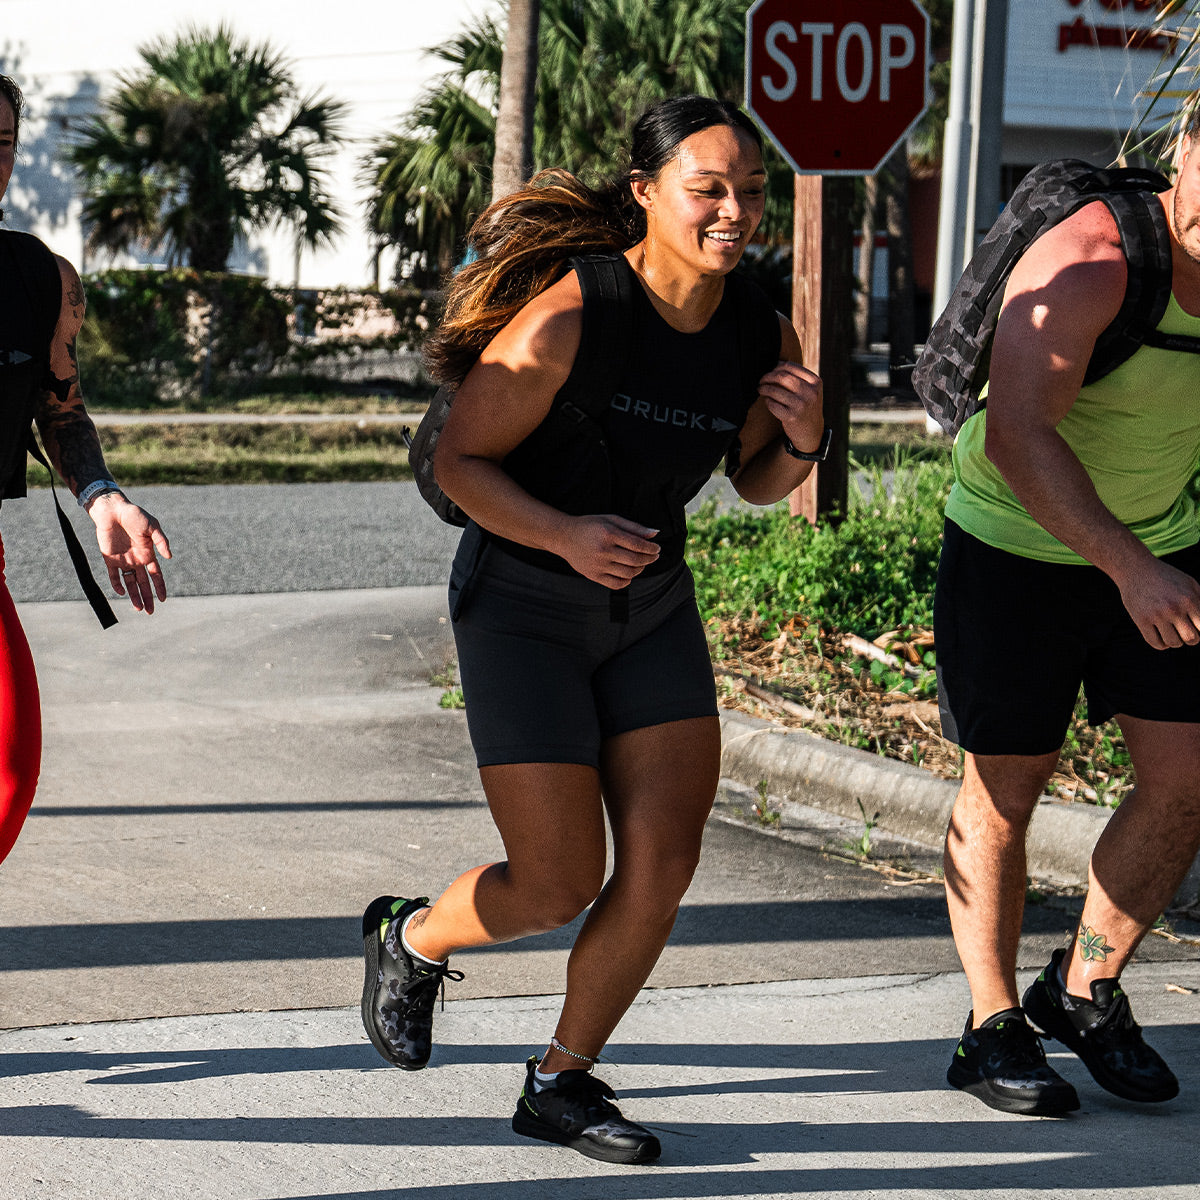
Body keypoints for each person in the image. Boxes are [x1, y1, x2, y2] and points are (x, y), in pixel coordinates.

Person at [360, 95, 826, 1164]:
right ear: (646, 194)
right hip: (522, 610)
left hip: (651, 610)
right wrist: (566, 534)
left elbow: (757, 481)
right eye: (707, 188)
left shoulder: (760, 326)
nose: (734, 211)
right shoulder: (574, 313)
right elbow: (458, 464)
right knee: (560, 879)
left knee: (661, 864)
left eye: (749, 192)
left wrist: (803, 442)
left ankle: (561, 1082)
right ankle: (413, 937)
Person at [937, 116, 1200, 1116]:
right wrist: (1131, 571)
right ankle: (990, 1024)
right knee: (1007, 784)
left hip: (1162, 540)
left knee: (1186, 779)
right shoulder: (1092, 264)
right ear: (1185, 146)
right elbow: (1015, 433)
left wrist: (1150, 560)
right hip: (1015, 544)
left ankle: (1083, 988)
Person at [0, 74, 171, 866]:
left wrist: (103, 496)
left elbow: (60, 410)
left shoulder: (40, 280)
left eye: (1, 146)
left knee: (8, 770)